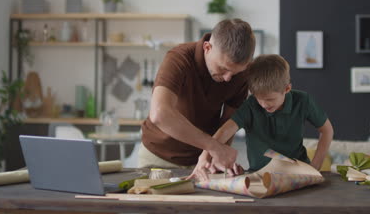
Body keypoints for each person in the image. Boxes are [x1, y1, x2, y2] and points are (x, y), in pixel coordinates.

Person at [188, 54, 334, 180]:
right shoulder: (251, 106)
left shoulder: (303, 101)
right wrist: (204, 157)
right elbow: (224, 132)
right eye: (259, 98)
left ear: (287, 89)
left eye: (270, 99)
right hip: (258, 176)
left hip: (298, 174)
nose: (264, 104)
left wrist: (315, 167)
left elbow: (327, 130)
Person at [139, 19, 256, 170]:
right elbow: (160, 114)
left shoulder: (240, 74)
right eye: (223, 68)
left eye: (235, 72)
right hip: (158, 156)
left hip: (202, 161)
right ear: (207, 47)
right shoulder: (179, 58)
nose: (228, 78)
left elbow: (228, 122)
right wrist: (214, 147)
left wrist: (215, 158)